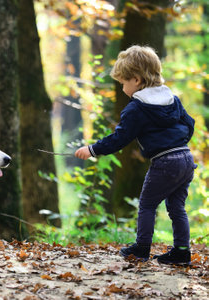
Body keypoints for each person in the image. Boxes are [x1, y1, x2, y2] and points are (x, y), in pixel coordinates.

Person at [74, 45, 196, 265]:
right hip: (186, 159)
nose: (122, 88)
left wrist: (92, 149)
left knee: (147, 205)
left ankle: (141, 249)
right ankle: (181, 251)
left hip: (165, 162)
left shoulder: (137, 108)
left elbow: (120, 138)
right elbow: (190, 123)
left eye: (123, 82)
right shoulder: (172, 100)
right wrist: (179, 143)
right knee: (177, 207)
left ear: (137, 80)